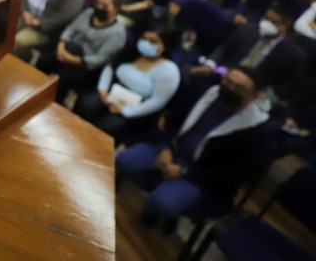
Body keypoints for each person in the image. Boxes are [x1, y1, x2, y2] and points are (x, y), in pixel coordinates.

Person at [116, 67, 273, 230]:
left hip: (201, 176)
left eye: (239, 88)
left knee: (162, 203)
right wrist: (165, 148)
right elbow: (172, 119)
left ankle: (154, 212)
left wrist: (184, 172)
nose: (230, 89)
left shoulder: (258, 132)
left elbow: (232, 176)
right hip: (173, 150)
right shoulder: (203, 92)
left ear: (254, 97)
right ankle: (159, 187)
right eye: (227, 81)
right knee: (123, 160)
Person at [75, 30, 180, 141]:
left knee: (107, 126)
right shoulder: (133, 52)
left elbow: (157, 102)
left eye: (153, 41)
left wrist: (126, 111)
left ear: (165, 46)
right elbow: (111, 67)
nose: (146, 43)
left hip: (136, 108)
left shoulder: (169, 71)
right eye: (144, 38)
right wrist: (103, 91)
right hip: (112, 94)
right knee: (86, 104)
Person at [193, 5, 307, 107]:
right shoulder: (248, 29)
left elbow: (291, 85)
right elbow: (224, 48)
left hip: (251, 96)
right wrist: (210, 64)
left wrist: (267, 96)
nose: (266, 24)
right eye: (266, 18)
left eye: (273, 22)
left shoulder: (293, 54)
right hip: (223, 75)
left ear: (284, 27)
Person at [37, 0, 127, 102]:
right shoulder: (88, 13)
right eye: (98, 3)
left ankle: (52, 101)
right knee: (43, 60)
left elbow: (100, 58)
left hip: (85, 65)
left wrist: (73, 60)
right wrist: (61, 46)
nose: (99, 7)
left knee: (61, 79)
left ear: (116, 9)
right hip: (67, 50)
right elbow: (70, 29)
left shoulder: (118, 33)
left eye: (105, 6)